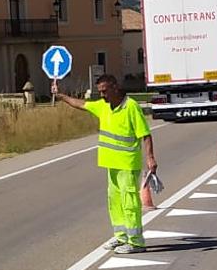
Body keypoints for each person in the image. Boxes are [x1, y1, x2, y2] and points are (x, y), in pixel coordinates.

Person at [53, 73, 157, 253]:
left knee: (129, 202)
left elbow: (145, 135)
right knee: (114, 202)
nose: (102, 95)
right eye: (100, 92)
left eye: (105, 91)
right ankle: (121, 237)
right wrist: (61, 96)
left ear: (115, 87)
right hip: (112, 164)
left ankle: (136, 242)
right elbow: (81, 104)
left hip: (127, 164)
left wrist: (150, 158)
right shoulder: (103, 106)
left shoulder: (131, 107)